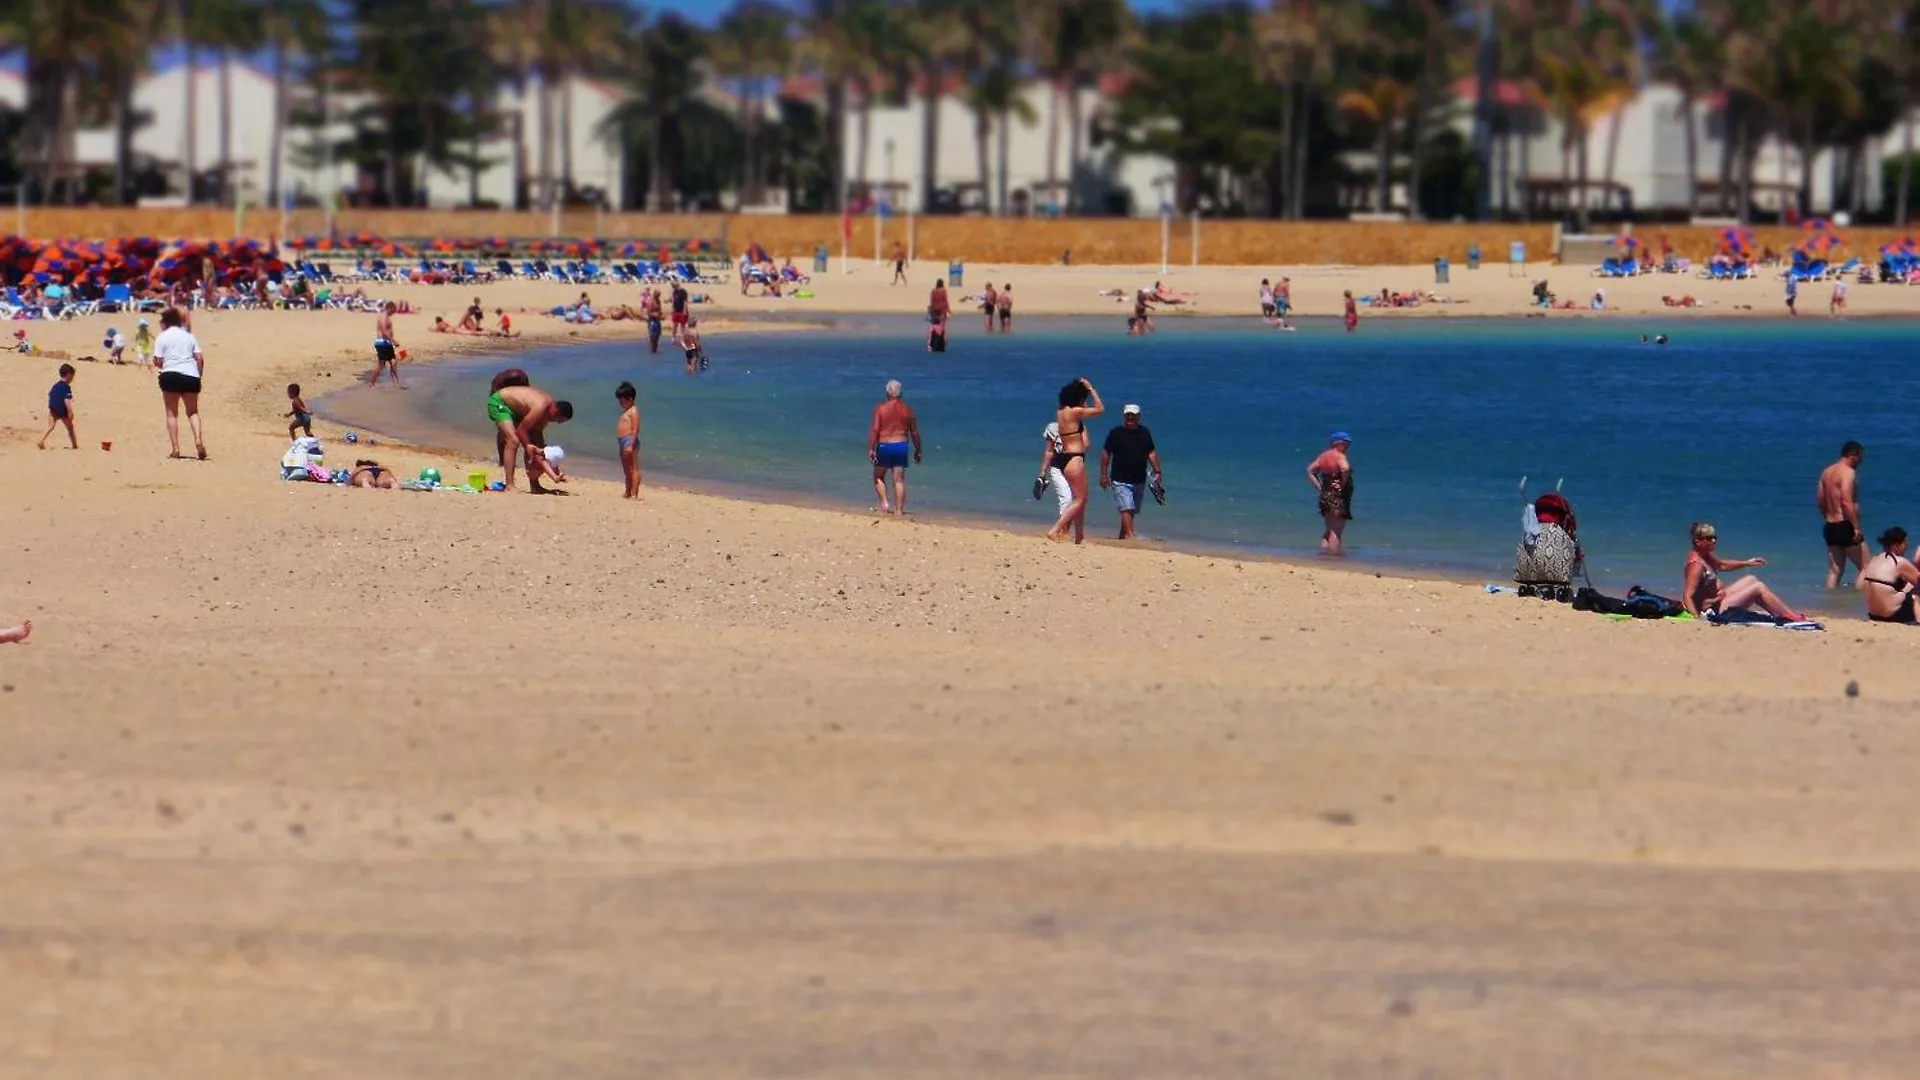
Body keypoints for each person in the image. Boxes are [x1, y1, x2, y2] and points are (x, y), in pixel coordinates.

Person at [1683, 521, 1806, 622]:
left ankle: (1786, 613)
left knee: (1751, 579)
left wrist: (1747, 563)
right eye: (1709, 538)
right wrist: (1697, 618)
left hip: (1720, 600)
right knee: (1758, 588)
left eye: (1715, 537)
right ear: (1697, 541)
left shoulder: (1706, 556)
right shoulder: (1696, 565)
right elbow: (1688, 595)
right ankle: (1789, 617)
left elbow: (1722, 565)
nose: (1714, 541)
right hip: (1714, 610)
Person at [486, 380, 574, 493]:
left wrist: (542, 454)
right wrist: (527, 445)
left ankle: (535, 485)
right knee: (513, 440)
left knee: (535, 444)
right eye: (558, 420)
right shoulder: (541, 407)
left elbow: (537, 438)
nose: (555, 422)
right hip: (500, 403)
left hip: (516, 409)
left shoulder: (545, 416)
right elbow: (521, 430)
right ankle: (510, 484)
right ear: (556, 411)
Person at [1046, 378, 1104, 542]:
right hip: (1074, 458)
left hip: (1065, 457)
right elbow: (1100, 409)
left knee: (1080, 499)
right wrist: (1091, 388)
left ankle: (1079, 536)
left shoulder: (1061, 412)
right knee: (1080, 500)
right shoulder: (1075, 412)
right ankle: (1055, 530)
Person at [1099, 404, 1162, 540]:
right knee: (1126, 507)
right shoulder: (1116, 433)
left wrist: (1157, 471)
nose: (1130, 418)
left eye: (1133, 415)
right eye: (1128, 415)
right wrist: (1103, 475)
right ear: (1124, 416)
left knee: (1131, 509)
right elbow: (1105, 453)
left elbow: (1151, 452)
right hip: (1120, 478)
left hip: (1139, 479)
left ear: (1139, 417)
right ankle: (1130, 534)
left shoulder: (1145, 432)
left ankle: (1123, 535)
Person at [153, 306, 207, 460]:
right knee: (193, 412)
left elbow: (158, 360)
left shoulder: (162, 337)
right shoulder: (189, 336)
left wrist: (163, 365)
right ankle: (198, 439)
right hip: (191, 375)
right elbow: (199, 357)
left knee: (172, 414)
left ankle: (176, 449)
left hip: (170, 375)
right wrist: (199, 375)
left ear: (166, 322)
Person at [868, 379, 922, 515]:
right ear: (900, 393)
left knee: (879, 476)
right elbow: (914, 433)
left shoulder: (881, 409)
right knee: (898, 479)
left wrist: (871, 448)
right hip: (901, 446)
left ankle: (885, 504)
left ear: (887, 393)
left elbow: (875, 430)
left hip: (885, 445)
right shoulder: (908, 410)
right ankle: (899, 510)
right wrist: (918, 450)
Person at [1818, 440, 1865, 588]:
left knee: (1835, 570)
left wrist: (1827, 517)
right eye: (1860, 459)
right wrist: (1856, 527)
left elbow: (1820, 499)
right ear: (1853, 455)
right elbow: (1846, 501)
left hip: (1830, 525)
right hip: (1845, 525)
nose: (1860, 463)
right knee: (1866, 567)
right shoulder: (1848, 472)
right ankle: (1860, 605)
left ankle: (1831, 604)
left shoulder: (1826, 472)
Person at [1859, 527, 1920, 623]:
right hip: (1892, 615)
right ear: (1896, 546)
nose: (1907, 547)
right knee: (1916, 593)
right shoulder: (1899, 562)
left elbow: (1858, 585)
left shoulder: (1874, 560)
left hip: (1874, 615)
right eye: (1905, 544)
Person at [1034, 420, 1081, 543]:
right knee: (1066, 498)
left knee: (1077, 500)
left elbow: (1085, 446)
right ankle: (1062, 531)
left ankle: (1069, 531)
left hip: (1075, 468)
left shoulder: (1079, 427)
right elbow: (1049, 451)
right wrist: (1043, 472)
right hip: (1058, 468)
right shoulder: (1053, 428)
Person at [1308, 433, 1354, 554]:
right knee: (1336, 530)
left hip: (1326, 493)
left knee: (1329, 529)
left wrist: (1319, 487)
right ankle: (1333, 558)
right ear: (1339, 443)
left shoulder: (1323, 456)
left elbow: (1310, 471)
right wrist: (1342, 484)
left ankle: (1324, 556)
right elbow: (1345, 469)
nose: (1348, 446)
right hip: (1338, 496)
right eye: (1347, 443)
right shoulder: (1339, 456)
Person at [37, 363, 77, 450]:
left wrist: (51, 407)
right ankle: (74, 445)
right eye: (72, 377)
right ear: (69, 375)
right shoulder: (66, 387)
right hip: (62, 410)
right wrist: (70, 412)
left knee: (50, 426)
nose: (72, 379)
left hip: (53, 408)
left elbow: (51, 395)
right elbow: (66, 400)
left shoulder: (55, 386)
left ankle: (41, 440)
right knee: (70, 427)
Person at [616, 381, 643, 499]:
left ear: (630, 398)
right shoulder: (626, 411)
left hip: (629, 440)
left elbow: (635, 429)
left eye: (622, 401)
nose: (620, 403)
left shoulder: (634, 411)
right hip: (622, 441)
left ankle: (634, 493)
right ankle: (627, 491)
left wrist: (631, 444)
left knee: (633, 468)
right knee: (626, 469)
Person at [370, 301, 404, 388]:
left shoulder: (386, 316)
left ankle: (396, 383)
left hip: (387, 343)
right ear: (390, 308)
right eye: (394, 310)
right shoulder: (383, 317)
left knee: (393, 362)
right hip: (382, 343)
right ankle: (372, 383)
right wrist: (393, 340)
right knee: (381, 365)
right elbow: (384, 331)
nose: (394, 312)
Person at [644, 288, 664, 353]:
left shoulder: (658, 301)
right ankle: (652, 351)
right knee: (653, 337)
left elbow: (659, 311)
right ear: (654, 294)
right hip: (652, 321)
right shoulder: (651, 301)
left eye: (659, 295)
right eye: (657, 295)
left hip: (657, 321)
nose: (658, 296)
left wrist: (660, 315)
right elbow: (648, 312)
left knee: (657, 337)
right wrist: (655, 315)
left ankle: (655, 352)